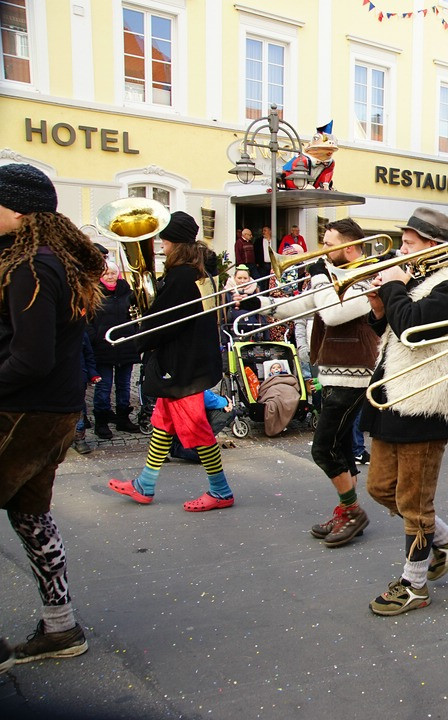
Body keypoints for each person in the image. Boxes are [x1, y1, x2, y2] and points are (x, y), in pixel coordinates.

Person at [1, 163, 102, 663]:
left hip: (25, 410)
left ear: (17, 211)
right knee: (31, 518)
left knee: (32, 518)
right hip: (53, 409)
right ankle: (60, 627)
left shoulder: (31, 266)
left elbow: (30, 357)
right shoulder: (54, 260)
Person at [360, 207, 448, 616]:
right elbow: (395, 330)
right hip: (395, 398)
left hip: (427, 404)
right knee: (380, 489)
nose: (401, 250)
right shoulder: (420, 280)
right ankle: (445, 537)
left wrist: (393, 288)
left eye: (408, 244)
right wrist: (380, 306)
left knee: (413, 501)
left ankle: (414, 584)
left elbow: (414, 330)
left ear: (432, 246)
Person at [252, 218, 379, 547]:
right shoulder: (332, 277)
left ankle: (353, 512)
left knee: (323, 449)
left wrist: (321, 276)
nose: (321, 250)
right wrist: (261, 304)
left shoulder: (369, 277)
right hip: (334, 373)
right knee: (338, 447)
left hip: (354, 374)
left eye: (328, 244)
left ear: (348, 248)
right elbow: (304, 306)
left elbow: (335, 314)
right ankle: (346, 508)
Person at [108, 211, 235, 512]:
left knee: (197, 431)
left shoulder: (180, 277)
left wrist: (140, 337)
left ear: (175, 243)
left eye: (164, 240)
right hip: (190, 361)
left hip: (182, 367)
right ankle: (145, 484)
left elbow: (164, 323)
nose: (161, 244)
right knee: (163, 424)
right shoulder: (200, 272)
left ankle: (220, 491)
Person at [88, 260, 142, 436]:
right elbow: (88, 321)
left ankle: (123, 419)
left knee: (124, 385)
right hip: (103, 346)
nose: (110, 277)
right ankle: (101, 421)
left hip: (125, 345)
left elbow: (136, 313)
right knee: (104, 387)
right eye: (106, 274)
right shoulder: (94, 294)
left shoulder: (128, 292)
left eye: (112, 273)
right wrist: (95, 337)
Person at [167, 389, 236, 463]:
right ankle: (178, 447)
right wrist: (226, 401)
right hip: (181, 424)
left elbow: (207, 394)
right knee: (228, 412)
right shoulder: (191, 381)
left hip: (177, 422)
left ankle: (196, 445)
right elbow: (208, 399)